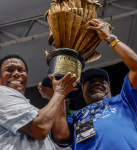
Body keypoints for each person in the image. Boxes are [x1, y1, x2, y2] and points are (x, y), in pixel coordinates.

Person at [39, 19, 137, 150]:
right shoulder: (77, 117)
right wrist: (57, 94)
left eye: (102, 81)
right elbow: (61, 137)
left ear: (110, 88)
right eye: (90, 82)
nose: (97, 82)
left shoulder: (124, 101)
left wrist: (110, 38)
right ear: (83, 92)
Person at [0, 54, 79, 150]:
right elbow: (40, 128)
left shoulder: (32, 111)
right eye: (9, 70)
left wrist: (54, 96)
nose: (16, 74)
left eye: (21, 70)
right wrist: (59, 93)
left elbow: (61, 136)